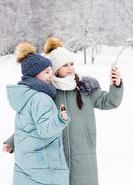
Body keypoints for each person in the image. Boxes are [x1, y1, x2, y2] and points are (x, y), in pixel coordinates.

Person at [4, 37, 124, 185]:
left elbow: (110, 101)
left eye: (71, 63)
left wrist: (116, 85)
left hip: (83, 156)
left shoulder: (86, 89)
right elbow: (35, 123)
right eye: (64, 65)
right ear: (55, 69)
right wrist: (13, 141)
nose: (70, 68)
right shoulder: (49, 94)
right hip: (57, 158)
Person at [5, 41, 70, 185]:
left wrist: (12, 141)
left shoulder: (25, 96)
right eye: (46, 72)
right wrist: (59, 119)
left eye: (51, 71)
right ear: (34, 75)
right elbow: (44, 130)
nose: (50, 75)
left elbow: (27, 129)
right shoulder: (41, 98)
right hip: (43, 166)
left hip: (26, 163)